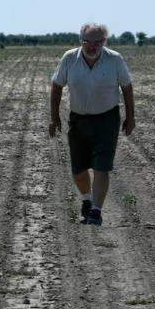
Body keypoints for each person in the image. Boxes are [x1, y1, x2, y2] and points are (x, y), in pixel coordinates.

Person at [49, 23, 135, 226]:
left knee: (101, 167)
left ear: (104, 42)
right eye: (88, 41)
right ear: (81, 40)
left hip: (107, 119)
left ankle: (96, 212)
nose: (93, 46)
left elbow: (127, 87)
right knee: (78, 171)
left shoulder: (114, 59)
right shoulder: (69, 58)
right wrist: (54, 117)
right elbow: (57, 85)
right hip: (79, 120)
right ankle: (87, 201)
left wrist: (130, 118)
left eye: (98, 41)